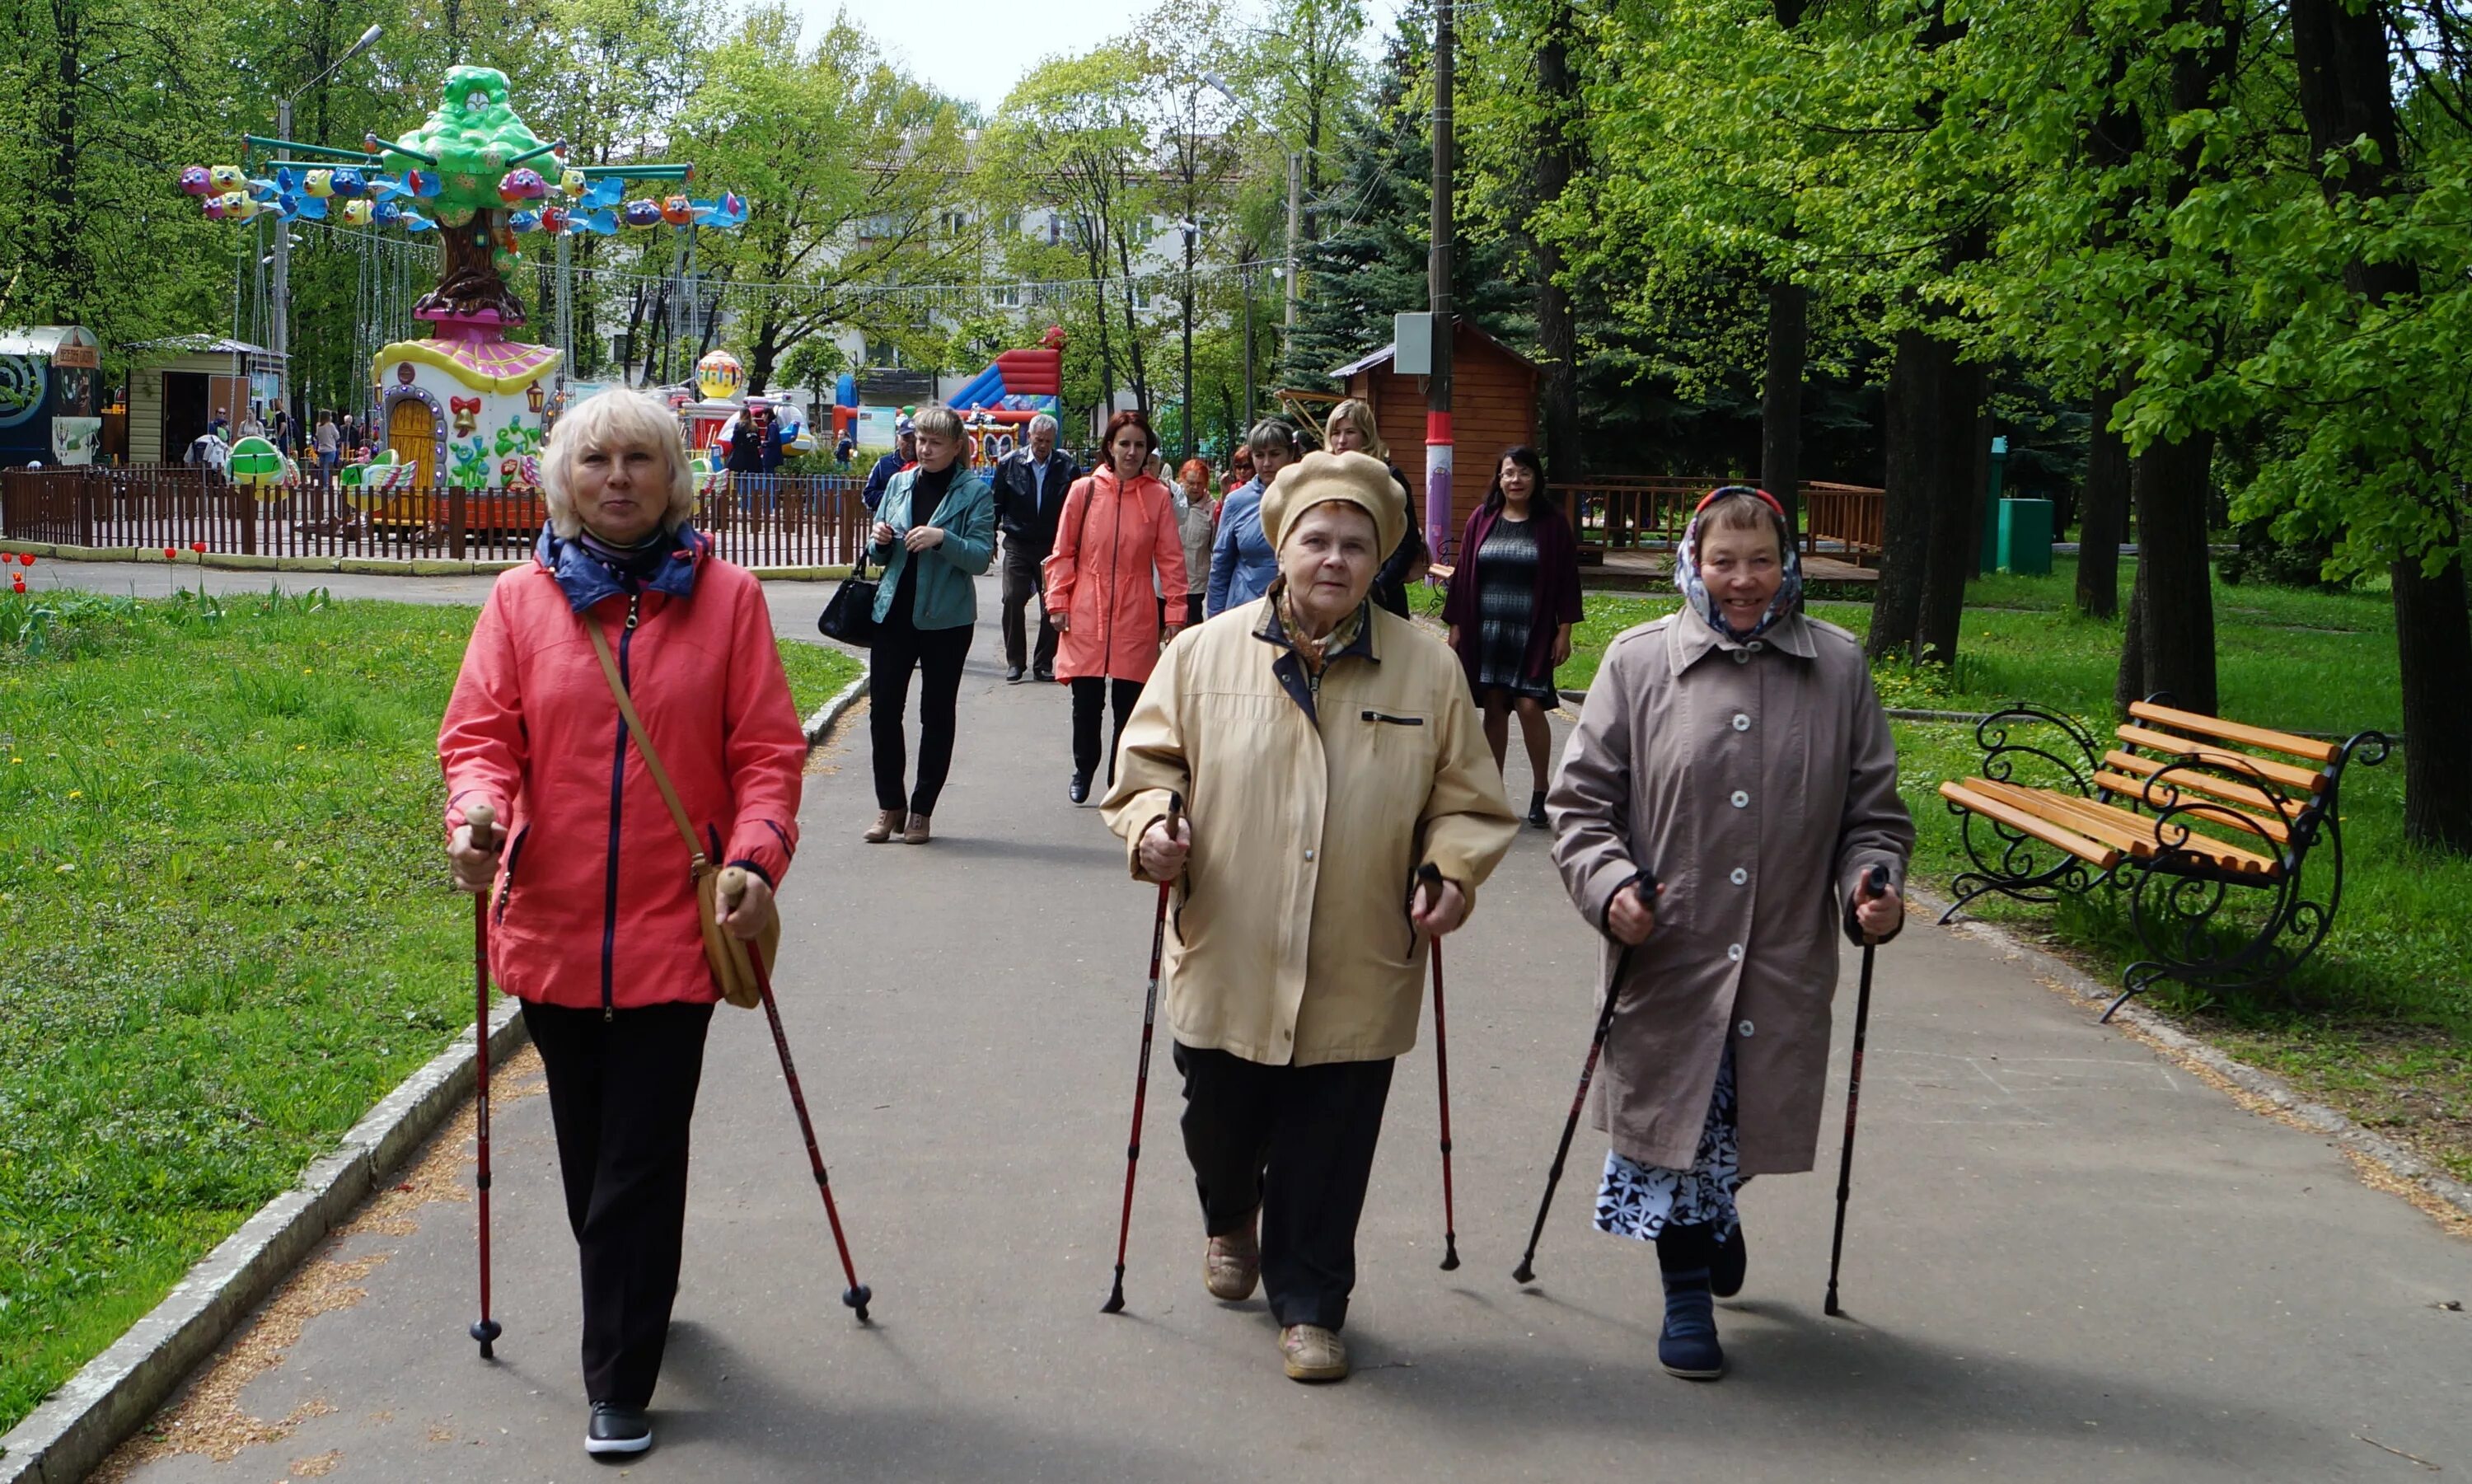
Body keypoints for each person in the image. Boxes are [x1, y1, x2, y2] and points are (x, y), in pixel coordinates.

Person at [438, 386, 804, 1458]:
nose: (617, 477)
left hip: (677, 932)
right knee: (593, 1150)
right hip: (550, 931)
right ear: (563, 479)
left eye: (640, 458)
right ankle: (635, 1293)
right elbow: (480, 739)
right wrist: (479, 815)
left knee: (638, 1156)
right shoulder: (518, 601)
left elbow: (768, 757)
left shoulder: (728, 601)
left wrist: (754, 857)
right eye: (595, 459)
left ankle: (619, 1373)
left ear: (673, 476)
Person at [1103, 449, 1519, 1384]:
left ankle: (1311, 1301)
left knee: (1330, 1138)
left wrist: (1450, 871)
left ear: (1381, 562)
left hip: (1361, 948)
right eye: (1316, 540)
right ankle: (1229, 1217)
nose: (1334, 559)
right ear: (1280, 547)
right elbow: (1146, 770)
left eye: (1356, 545)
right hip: (1227, 946)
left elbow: (1468, 799)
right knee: (1218, 1119)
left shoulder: (1426, 668)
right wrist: (1152, 829)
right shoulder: (1203, 653)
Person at [1547, 484, 1911, 1383]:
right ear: (1693, 563)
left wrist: (1875, 886)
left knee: (1736, 1126)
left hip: (1784, 956)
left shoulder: (1837, 666)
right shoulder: (1638, 664)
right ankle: (1684, 1299)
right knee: (1673, 1121)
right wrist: (1610, 888)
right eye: (1723, 560)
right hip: (1669, 952)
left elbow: (1875, 815)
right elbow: (1581, 807)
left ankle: (1720, 1207)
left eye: (1760, 560)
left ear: (1785, 564)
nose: (1742, 580)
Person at [864, 404, 996, 845]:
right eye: (920, 440)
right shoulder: (899, 482)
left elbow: (979, 557)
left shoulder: (974, 492)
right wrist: (880, 542)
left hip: (947, 620)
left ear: (957, 447)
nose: (925, 448)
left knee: (935, 715)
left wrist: (943, 538)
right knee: (883, 712)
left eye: (936, 442)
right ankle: (890, 806)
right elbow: (877, 553)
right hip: (893, 613)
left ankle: (921, 810)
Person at [1046, 410, 1186, 803]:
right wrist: (1058, 600)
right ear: (1110, 446)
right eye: (1124, 443)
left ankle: (1119, 775)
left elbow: (1172, 560)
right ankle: (1084, 767)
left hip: (1136, 606)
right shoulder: (1084, 491)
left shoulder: (1157, 498)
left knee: (1129, 704)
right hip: (1087, 605)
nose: (1131, 451)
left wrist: (1175, 614)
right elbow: (1062, 552)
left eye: (1139, 445)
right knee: (1086, 702)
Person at [1442, 446, 1585, 828]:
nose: (1515, 480)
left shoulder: (1552, 524)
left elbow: (1568, 580)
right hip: (1487, 628)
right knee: (1493, 706)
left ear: (1535, 478)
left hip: (1533, 629)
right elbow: (1464, 573)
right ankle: (1493, 794)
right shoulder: (1482, 518)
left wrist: (1565, 630)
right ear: (1499, 478)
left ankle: (1541, 791)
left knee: (1529, 706)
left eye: (1523, 473)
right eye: (1508, 473)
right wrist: (1455, 626)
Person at [989, 412, 1080, 682]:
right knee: (1013, 598)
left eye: (1048, 441)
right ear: (1029, 437)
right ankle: (1015, 661)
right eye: (1038, 439)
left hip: (1053, 546)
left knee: (1052, 605)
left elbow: (1076, 509)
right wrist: (991, 537)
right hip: (1018, 542)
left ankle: (1043, 663)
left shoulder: (1066, 466)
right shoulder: (1009, 464)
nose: (1042, 445)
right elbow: (997, 503)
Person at [1323, 399, 1428, 618]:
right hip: (1336, 590)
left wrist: (1380, 586)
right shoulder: (1325, 478)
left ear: (1366, 435)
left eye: (1350, 432)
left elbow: (1408, 541)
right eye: (1336, 432)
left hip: (1382, 596)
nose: (1341, 440)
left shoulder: (1388, 477)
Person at [1204, 419, 1298, 617]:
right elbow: (1220, 566)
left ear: (1290, 454)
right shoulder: (1236, 501)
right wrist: (1214, 620)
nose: (1266, 463)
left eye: (1274, 454)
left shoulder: (1307, 496)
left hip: (1296, 615)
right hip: (1244, 612)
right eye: (1259, 455)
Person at [1171, 457, 1218, 630]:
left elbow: (1215, 546)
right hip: (1169, 580)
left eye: (1200, 483)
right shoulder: (1171, 502)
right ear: (1182, 480)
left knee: (1192, 627)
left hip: (1195, 583)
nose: (1196, 488)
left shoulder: (1212, 508)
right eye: (1191, 483)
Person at [861, 417, 917, 513]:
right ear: (898, 440)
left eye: (916, 439)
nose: (911, 443)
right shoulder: (883, 464)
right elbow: (867, 497)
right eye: (906, 438)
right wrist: (895, 498)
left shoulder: (928, 465)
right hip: (888, 525)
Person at [313, 412, 340, 492]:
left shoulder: (318, 425)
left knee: (321, 468)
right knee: (327, 468)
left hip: (321, 449)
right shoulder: (330, 425)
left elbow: (317, 436)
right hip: (330, 449)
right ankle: (326, 486)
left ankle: (321, 484)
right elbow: (337, 436)